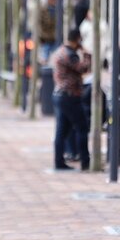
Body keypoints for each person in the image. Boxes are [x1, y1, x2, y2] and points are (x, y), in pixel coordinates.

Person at [50, 29, 90, 171]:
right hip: (70, 96)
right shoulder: (69, 55)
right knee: (82, 128)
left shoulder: (60, 51)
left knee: (62, 131)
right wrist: (86, 54)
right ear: (77, 39)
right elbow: (83, 68)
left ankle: (58, 161)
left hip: (60, 95)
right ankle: (85, 161)